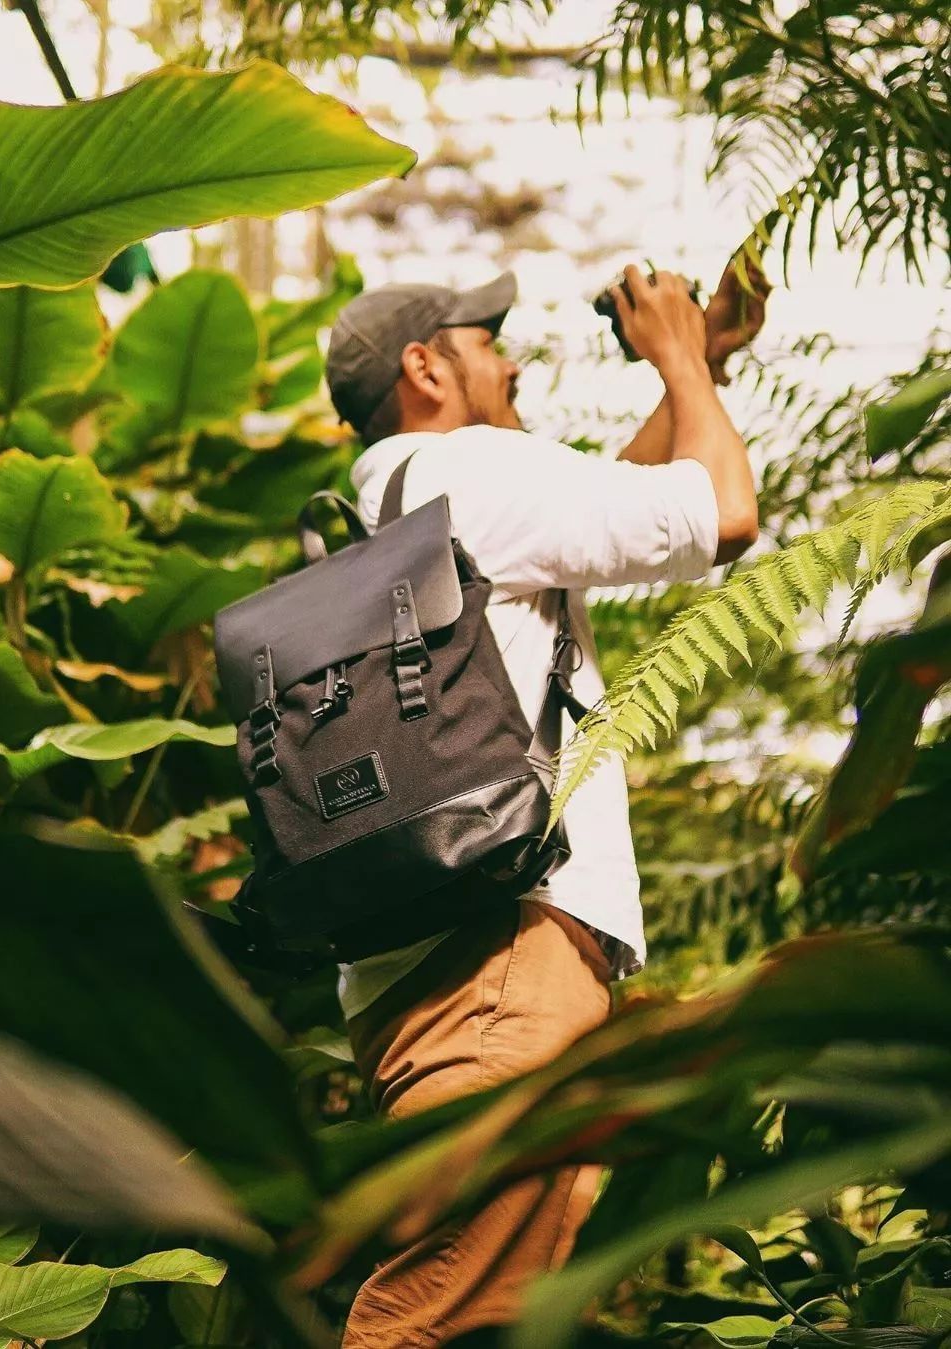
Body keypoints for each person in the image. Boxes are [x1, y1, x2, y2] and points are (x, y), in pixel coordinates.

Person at [323, 259, 769, 1347]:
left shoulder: (400, 500)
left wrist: (697, 365)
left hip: (446, 963)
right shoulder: (465, 470)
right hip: (499, 963)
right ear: (428, 367)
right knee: (436, 1313)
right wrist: (671, 352)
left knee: (489, 1310)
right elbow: (724, 510)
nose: (511, 359)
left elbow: (601, 508)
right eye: (487, 342)